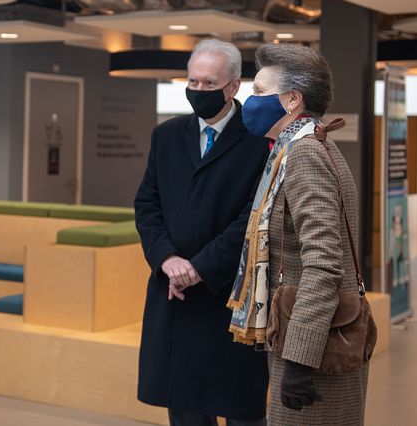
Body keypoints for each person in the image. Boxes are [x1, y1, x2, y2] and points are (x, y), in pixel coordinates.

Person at [228, 43, 369, 425]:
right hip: (307, 333)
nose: (249, 99)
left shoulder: (304, 152)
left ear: (291, 100)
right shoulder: (300, 145)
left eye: (258, 90)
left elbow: (324, 263)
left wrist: (300, 359)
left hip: (315, 346)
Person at [134, 39, 270, 426]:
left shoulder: (260, 142)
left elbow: (252, 217)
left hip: (230, 299)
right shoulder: (167, 136)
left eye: (209, 84)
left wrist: (199, 268)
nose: (198, 91)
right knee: (186, 411)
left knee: (241, 411)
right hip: (175, 297)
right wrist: (168, 260)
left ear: (233, 87)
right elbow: (147, 205)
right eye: (192, 81)